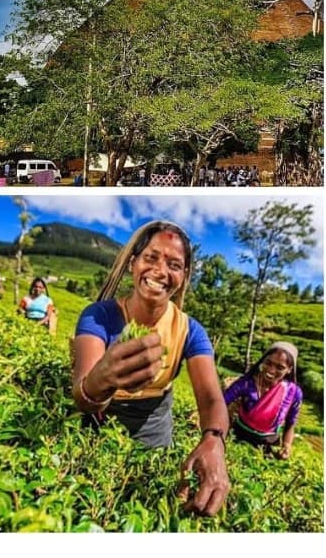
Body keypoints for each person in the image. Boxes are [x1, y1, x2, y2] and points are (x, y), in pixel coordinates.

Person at [71, 220, 230, 517]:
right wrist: (101, 380)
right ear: (133, 264)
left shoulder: (189, 331)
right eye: (151, 258)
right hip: (99, 423)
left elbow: (211, 398)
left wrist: (214, 439)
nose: (160, 271)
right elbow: (81, 395)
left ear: (182, 277)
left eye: (174, 264)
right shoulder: (99, 317)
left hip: (154, 427)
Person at [223, 342, 303, 458]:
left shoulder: (293, 393)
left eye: (280, 367)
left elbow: (290, 424)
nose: (271, 370)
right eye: (268, 363)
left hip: (268, 446)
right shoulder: (246, 384)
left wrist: (286, 445)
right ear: (263, 360)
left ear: (289, 369)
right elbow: (222, 403)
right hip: (238, 437)